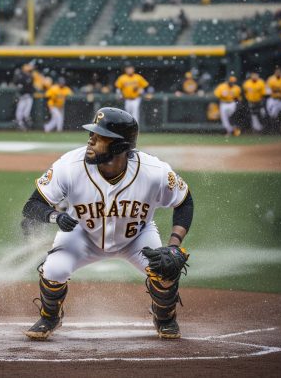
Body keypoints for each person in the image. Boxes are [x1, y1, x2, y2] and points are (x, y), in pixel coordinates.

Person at [22, 107, 193, 340]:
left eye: (99, 136)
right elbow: (32, 205)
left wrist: (174, 244)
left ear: (120, 146)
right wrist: (55, 216)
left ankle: (164, 317)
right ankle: (50, 316)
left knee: (165, 267)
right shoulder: (69, 165)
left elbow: (184, 201)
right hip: (81, 235)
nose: (90, 140)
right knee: (54, 268)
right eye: (91, 134)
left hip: (137, 237)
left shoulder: (154, 171)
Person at [13, 63, 36, 130]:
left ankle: (26, 124)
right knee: (19, 111)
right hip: (22, 96)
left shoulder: (30, 77)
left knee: (26, 113)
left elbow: (30, 87)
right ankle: (20, 124)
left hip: (28, 96)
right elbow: (16, 83)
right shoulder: (21, 76)